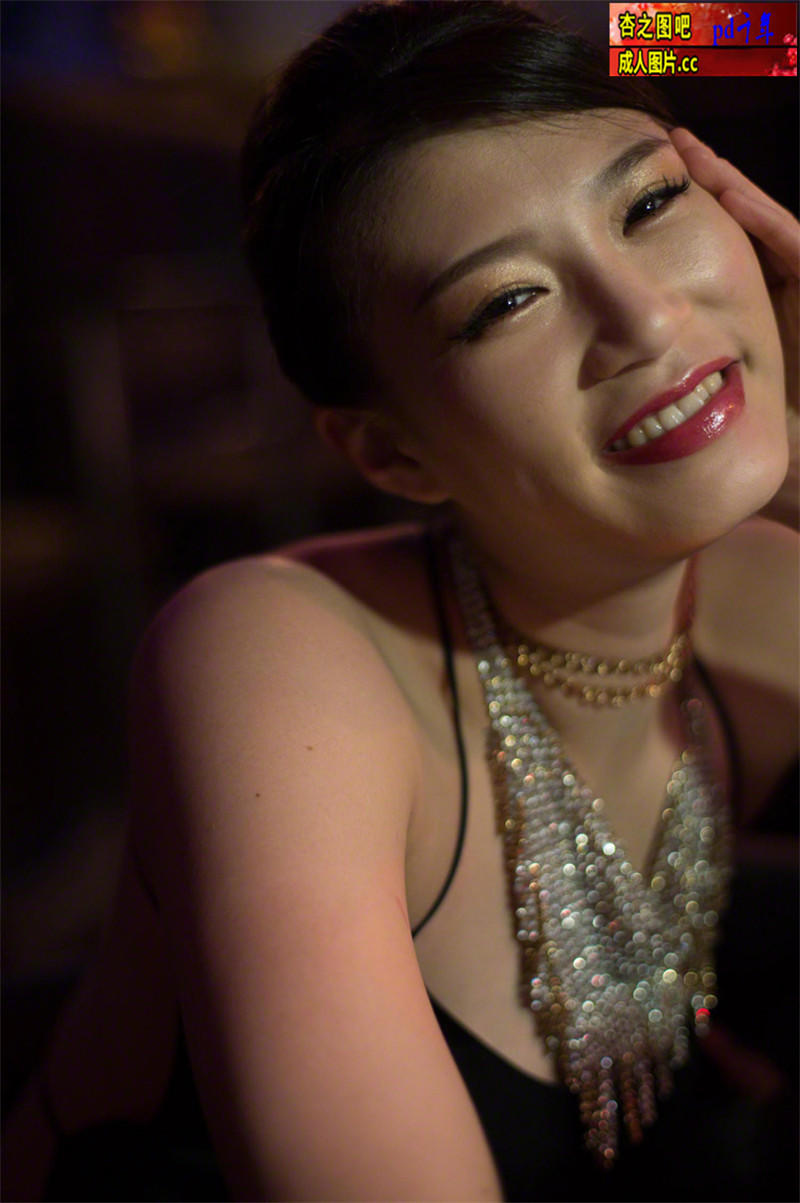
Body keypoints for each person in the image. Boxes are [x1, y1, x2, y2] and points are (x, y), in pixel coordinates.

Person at [3, 2, 798, 1200]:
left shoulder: (764, 598)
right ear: (391, 452)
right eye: (506, 302)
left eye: (647, 205)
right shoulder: (271, 658)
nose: (644, 318)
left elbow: (764, 29)